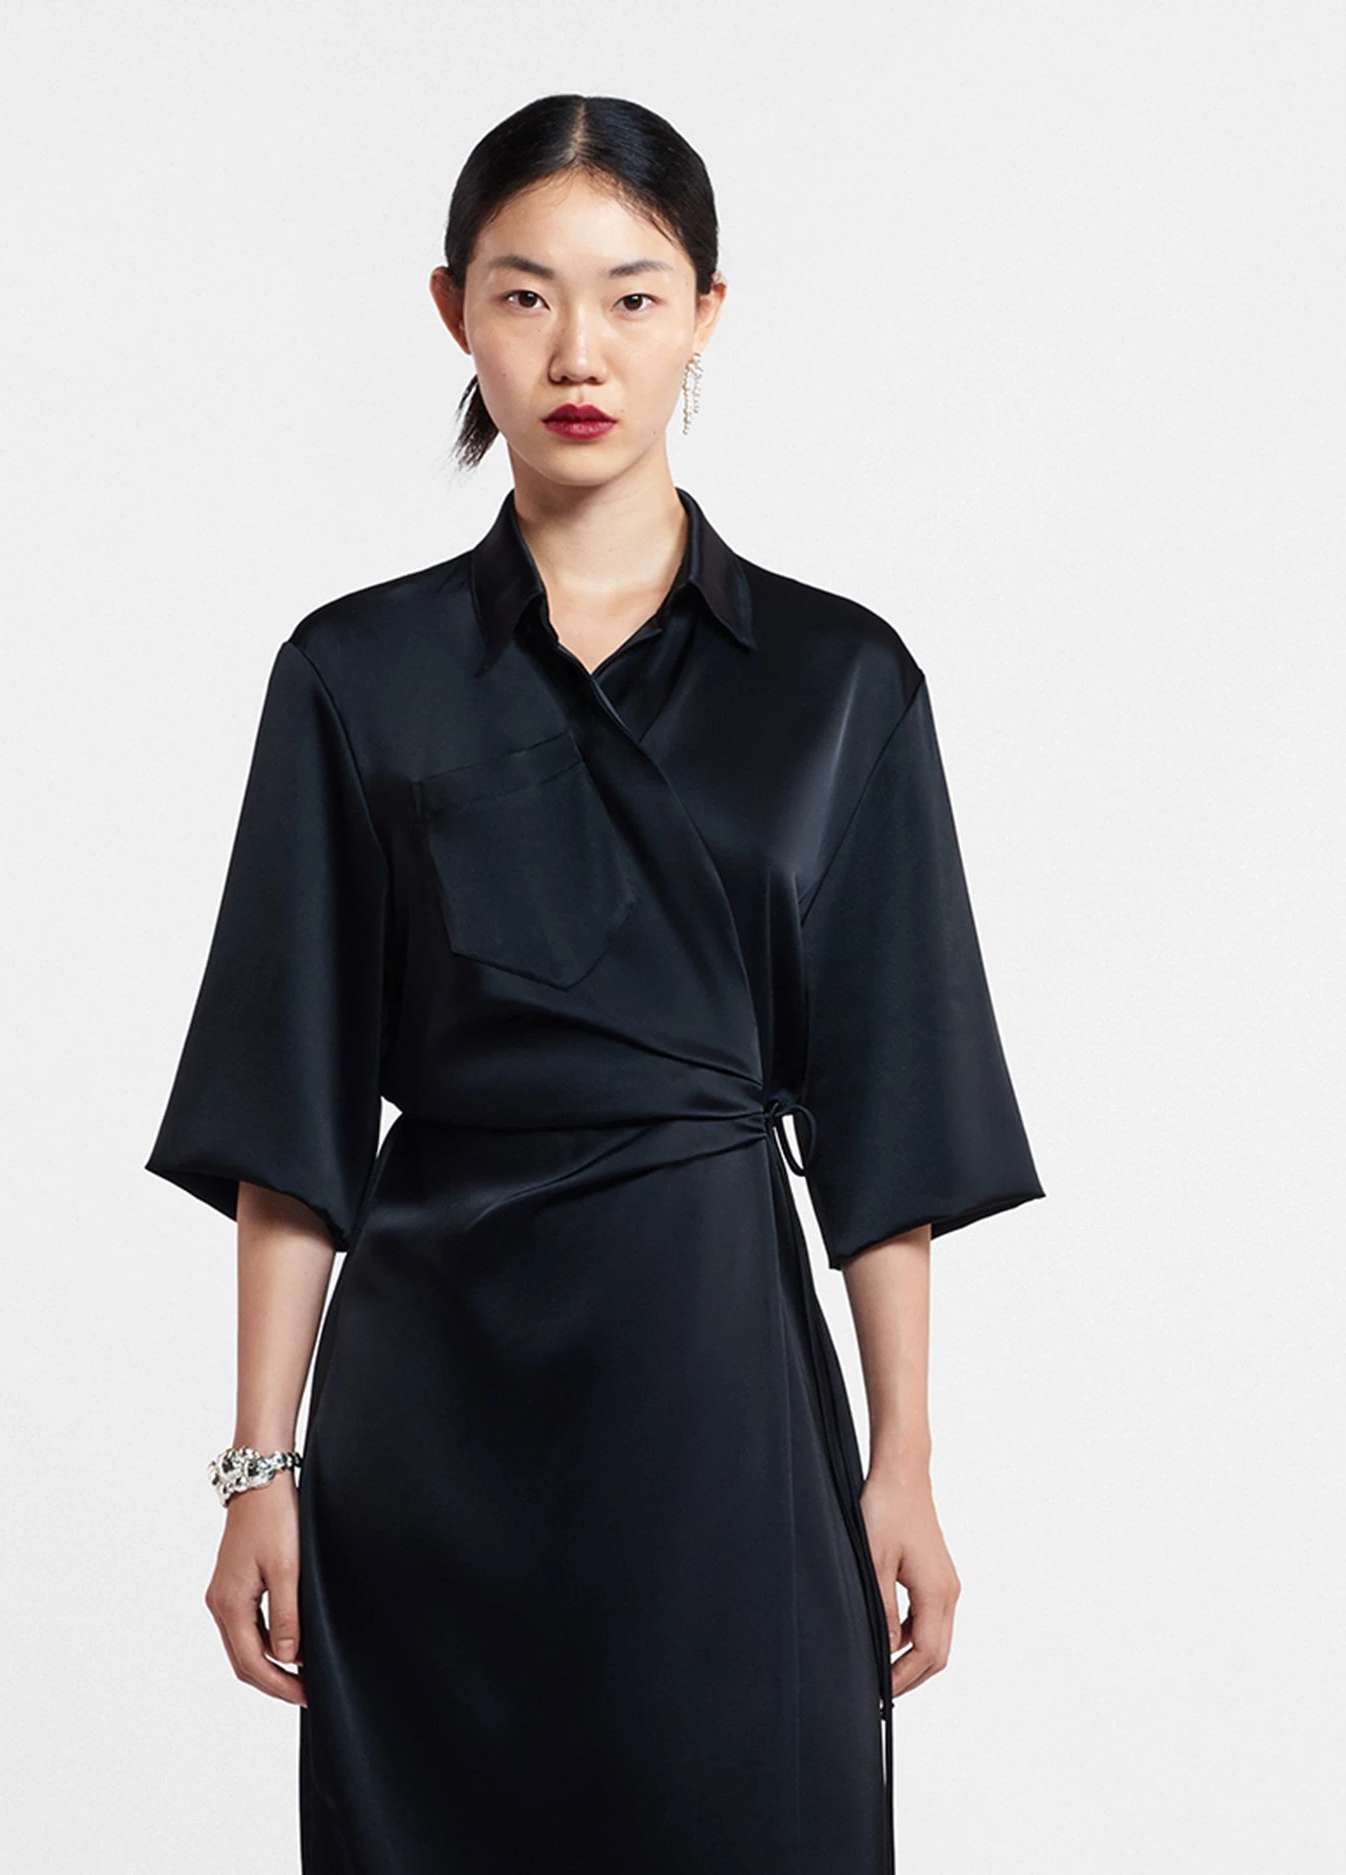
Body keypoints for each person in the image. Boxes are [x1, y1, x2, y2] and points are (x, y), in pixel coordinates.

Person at [145, 92, 1044, 1875]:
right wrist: (262, 1466)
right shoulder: (356, 672)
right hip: (436, 1400)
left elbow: (890, 1124)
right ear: (454, 313)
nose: (579, 351)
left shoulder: (840, 679)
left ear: (706, 313)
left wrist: (904, 1459)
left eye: (633, 296)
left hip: (723, 1379)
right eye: (526, 294)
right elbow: (292, 1113)